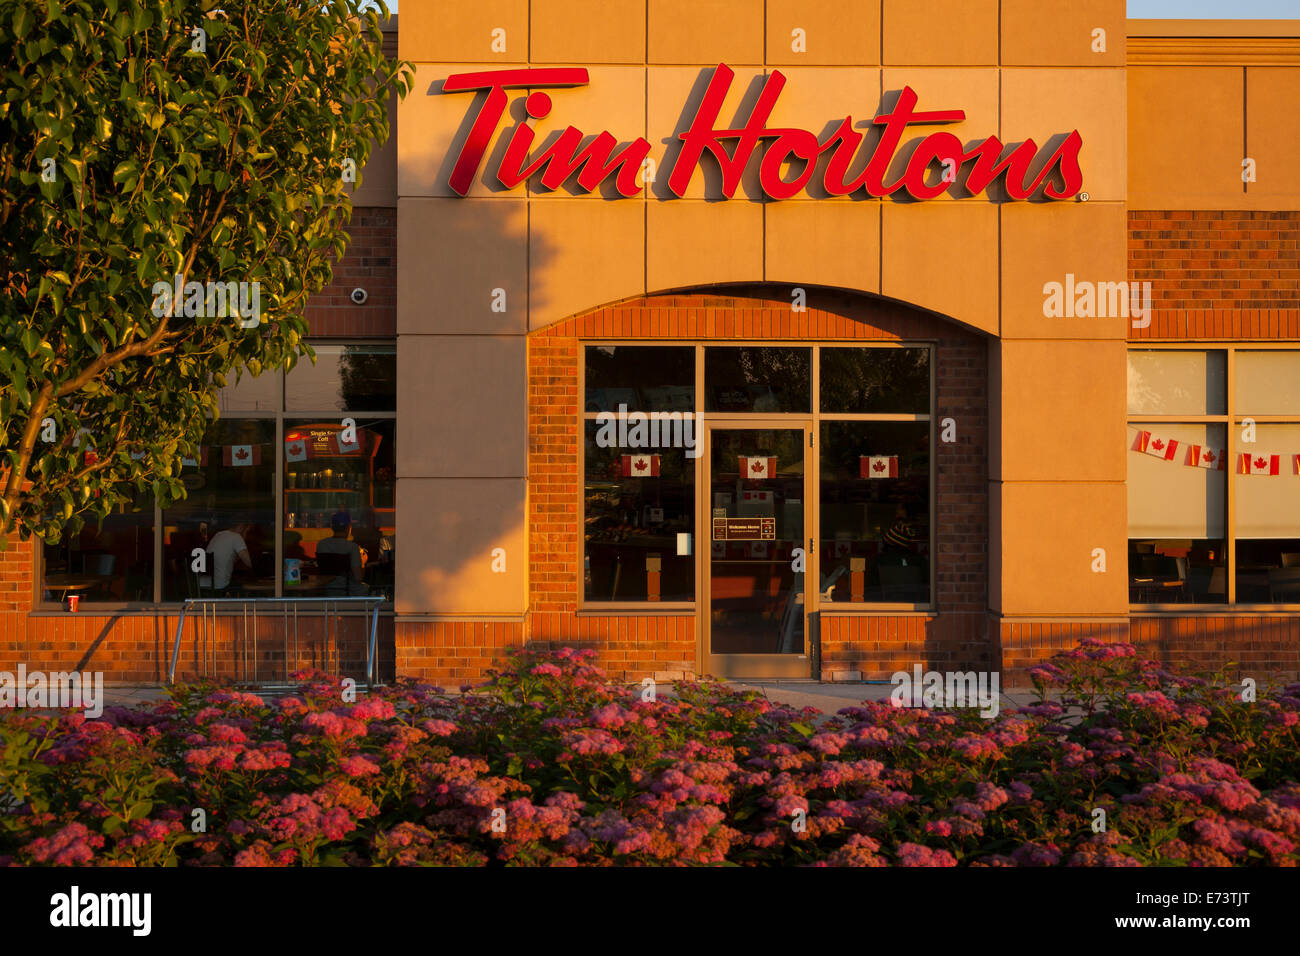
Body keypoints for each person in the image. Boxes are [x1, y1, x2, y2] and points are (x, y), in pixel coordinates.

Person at [316, 511, 367, 594]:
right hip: (347, 591)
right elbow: (358, 578)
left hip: (327, 589)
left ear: (332, 527)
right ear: (348, 528)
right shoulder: (352, 547)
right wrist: (363, 562)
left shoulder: (321, 544)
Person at [203, 522, 253, 593]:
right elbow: (249, 563)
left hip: (208, 585)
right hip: (221, 586)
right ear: (241, 527)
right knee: (250, 589)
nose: (247, 535)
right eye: (247, 531)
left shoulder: (218, 534)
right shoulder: (236, 537)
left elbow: (230, 559)